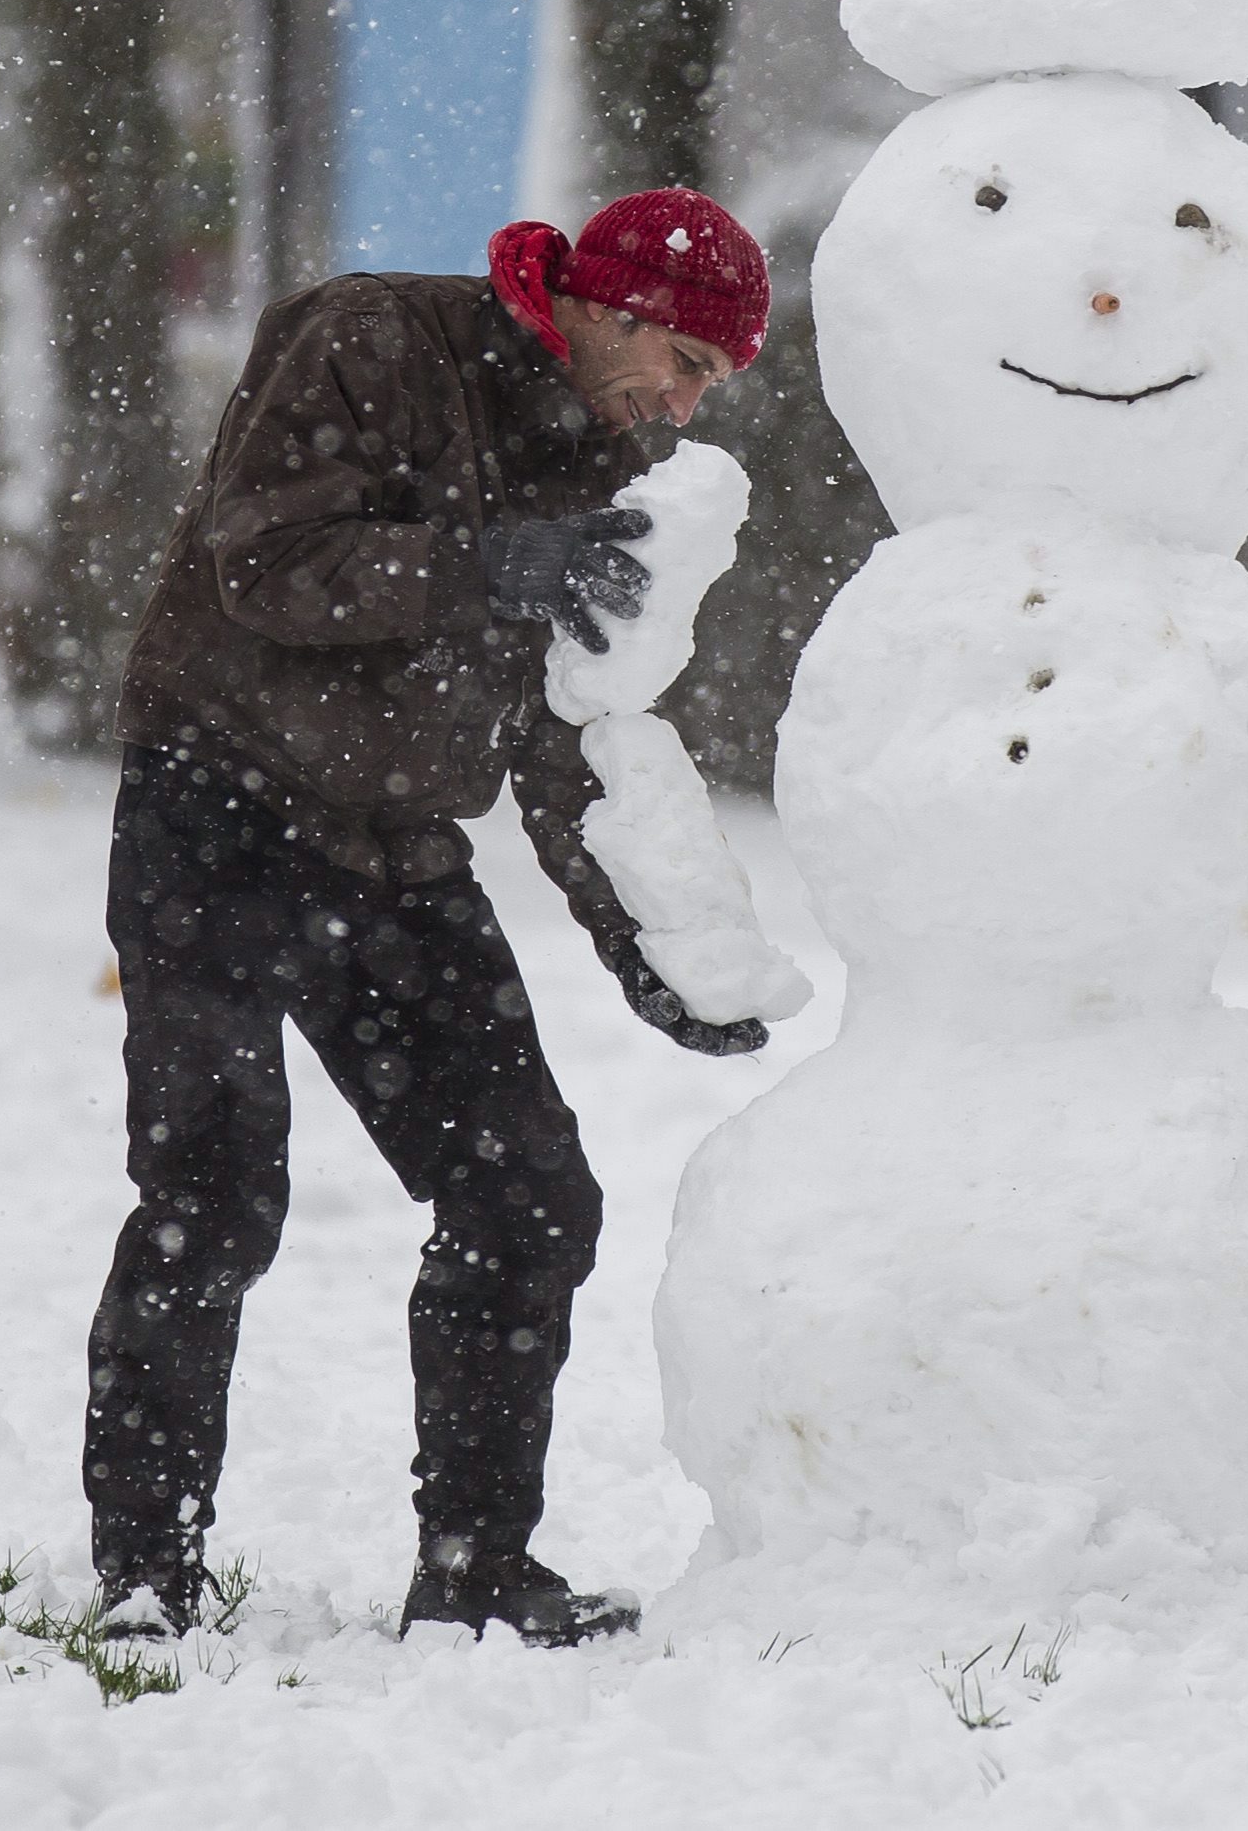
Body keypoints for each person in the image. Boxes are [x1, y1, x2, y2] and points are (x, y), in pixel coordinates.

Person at [82, 190, 772, 1648]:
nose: (686, 404)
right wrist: (481, 563)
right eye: (693, 365)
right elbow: (262, 560)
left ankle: (475, 1571)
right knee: (212, 1193)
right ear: (620, 305)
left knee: (530, 1197)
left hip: (393, 854)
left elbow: (559, 737)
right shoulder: (379, 334)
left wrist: (650, 952)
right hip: (215, 803)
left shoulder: (597, 467)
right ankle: (146, 1572)